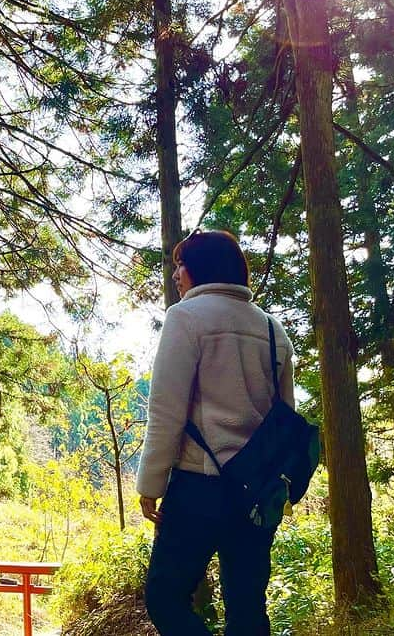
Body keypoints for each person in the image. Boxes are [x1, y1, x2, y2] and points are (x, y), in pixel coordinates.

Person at [137, 230, 294, 636]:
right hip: (256, 491)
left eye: (180, 265)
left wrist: (151, 482)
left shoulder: (186, 317)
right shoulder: (274, 330)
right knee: (247, 607)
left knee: (165, 597)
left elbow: (166, 410)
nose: (176, 275)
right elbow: (285, 417)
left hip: (198, 486)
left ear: (200, 268)